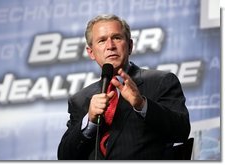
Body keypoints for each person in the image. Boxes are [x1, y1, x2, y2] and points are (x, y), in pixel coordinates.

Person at [57, 14, 191, 160]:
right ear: (91, 52)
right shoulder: (80, 100)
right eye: (102, 41)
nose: (110, 46)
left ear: (130, 46)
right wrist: (89, 120)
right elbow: (65, 156)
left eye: (117, 38)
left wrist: (142, 104)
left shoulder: (161, 81)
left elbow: (181, 131)